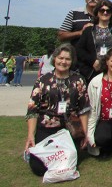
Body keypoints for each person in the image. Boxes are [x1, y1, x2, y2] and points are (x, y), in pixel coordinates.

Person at [25, 44, 91, 176]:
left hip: (69, 127)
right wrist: (30, 135)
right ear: (54, 58)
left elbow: (83, 109)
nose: (63, 62)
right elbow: (32, 110)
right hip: (47, 126)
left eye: (67, 59)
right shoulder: (43, 80)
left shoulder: (78, 80)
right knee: (39, 168)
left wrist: (85, 133)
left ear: (72, 61)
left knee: (68, 162)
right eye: (61, 58)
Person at [76, 0, 112, 83]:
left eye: (108, 10)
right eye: (102, 10)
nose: (105, 12)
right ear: (97, 12)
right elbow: (79, 49)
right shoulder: (88, 30)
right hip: (92, 71)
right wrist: (93, 61)